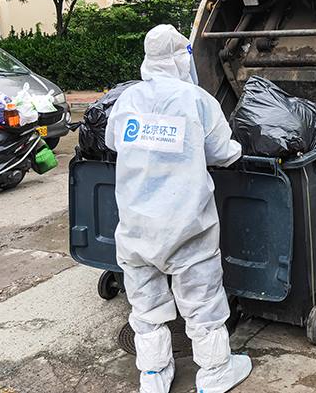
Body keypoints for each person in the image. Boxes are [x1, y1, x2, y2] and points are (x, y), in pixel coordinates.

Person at [105, 25, 252, 393]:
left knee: (145, 303)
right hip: (185, 225)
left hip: (136, 226)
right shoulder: (196, 100)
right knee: (202, 301)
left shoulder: (128, 99)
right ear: (180, 58)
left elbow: (113, 142)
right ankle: (215, 371)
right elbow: (224, 152)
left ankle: (153, 374)